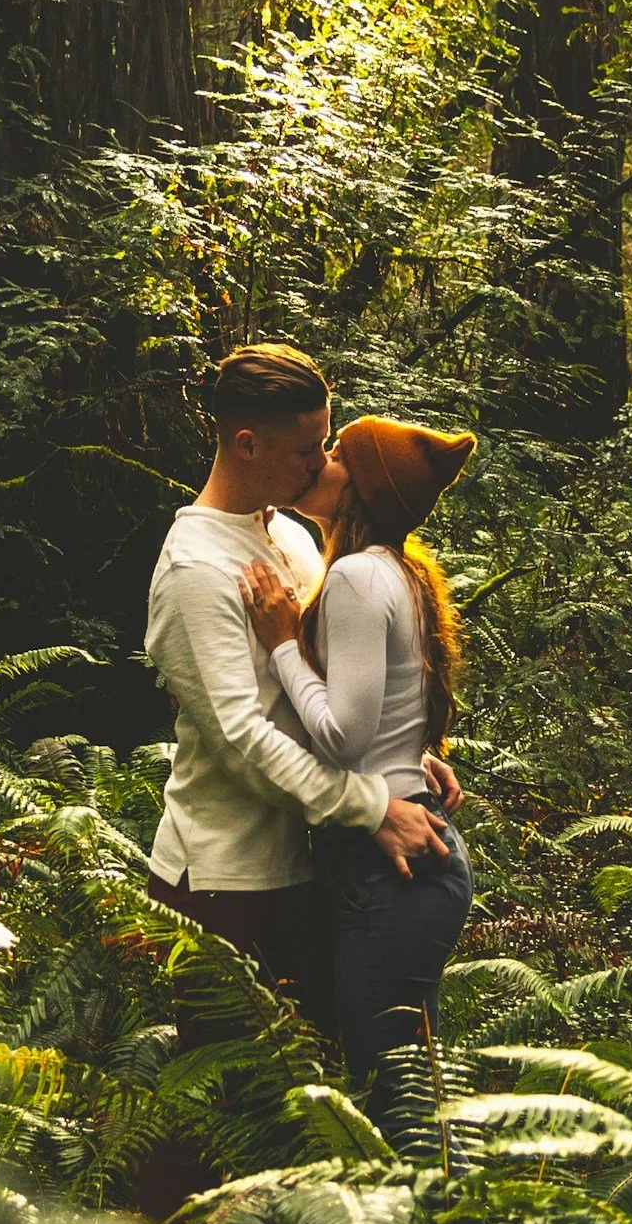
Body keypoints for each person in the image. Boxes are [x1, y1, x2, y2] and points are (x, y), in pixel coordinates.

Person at [143, 344, 455, 1031]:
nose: (324, 467)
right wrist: (371, 806)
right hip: (224, 883)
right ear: (247, 444)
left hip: (304, 870)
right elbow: (241, 740)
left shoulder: (291, 538)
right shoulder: (195, 568)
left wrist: (395, 755)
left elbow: (324, 688)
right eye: (309, 452)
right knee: (219, 1115)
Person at [238, 414, 477, 1111]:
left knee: (394, 1104)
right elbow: (387, 714)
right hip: (403, 854)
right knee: (401, 1097)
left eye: (338, 453)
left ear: (362, 487)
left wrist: (283, 641)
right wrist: (417, 756)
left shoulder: (354, 579)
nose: (322, 457)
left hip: (392, 866)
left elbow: (342, 738)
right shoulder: (392, 572)